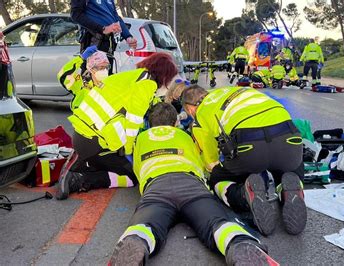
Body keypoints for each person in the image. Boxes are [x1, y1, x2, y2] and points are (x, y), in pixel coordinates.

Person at [109, 103, 278, 266]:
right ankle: (238, 242)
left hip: (156, 186)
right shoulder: (185, 136)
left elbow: (138, 170)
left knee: (148, 223)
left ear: (149, 123)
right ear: (175, 122)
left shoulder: (141, 138)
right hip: (190, 183)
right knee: (216, 222)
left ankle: (137, 238)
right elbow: (202, 164)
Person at [181, 85, 306, 236]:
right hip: (288, 137)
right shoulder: (237, 90)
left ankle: (243, 195)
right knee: (289, 165)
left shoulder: (201, 114)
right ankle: (290, 188)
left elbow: (210, 162)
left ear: (190, 109)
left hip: (251, 147)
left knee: (217, 178)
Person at [55, 52, 178, 200]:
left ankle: (83, 163)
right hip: (96, 142)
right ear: (164, 75)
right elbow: (133, 121)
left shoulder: (134, 77)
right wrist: (129, 150)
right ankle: (80, 179)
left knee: (116, 162)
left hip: (83, 136)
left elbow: (148, 102)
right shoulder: (147, 84)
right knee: (131, 176)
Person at [71, 0, 137, 74]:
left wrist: (128, 36)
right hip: (94, 42)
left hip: (109, 44)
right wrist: (102, 29)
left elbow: (116, 17)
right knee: (91, 79)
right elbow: (76, 15)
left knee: (106, 79)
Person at [57, 45, 109, 111]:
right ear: (91, 68)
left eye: (106, 67)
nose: (104, 70)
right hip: (81, 119)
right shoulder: (81, 84)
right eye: (101, 68)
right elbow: (62, 75)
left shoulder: (109, 85)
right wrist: (81, 58)